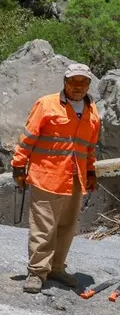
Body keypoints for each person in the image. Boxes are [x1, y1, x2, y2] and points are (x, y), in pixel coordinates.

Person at [12, 63, 101, 294]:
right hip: (46, 176)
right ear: (65, 82)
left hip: (75, 178)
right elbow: (28, 137)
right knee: (43, 227)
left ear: (89, 84)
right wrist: (19, 166)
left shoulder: (92, 112)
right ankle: (37, 272)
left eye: (83, 82)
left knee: (66, 227)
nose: (78, 87)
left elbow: (89, 148)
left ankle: (56, 268)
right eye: (73, 81)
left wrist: (91, 172)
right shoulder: (47, 104)